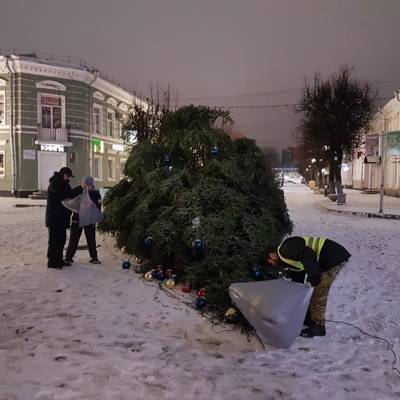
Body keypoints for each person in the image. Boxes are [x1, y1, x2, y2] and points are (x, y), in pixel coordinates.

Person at [266, 236, 351, 338]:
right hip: (327, 258)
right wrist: (297, 288)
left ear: (272, 255)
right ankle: (309, 319)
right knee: (310, 290)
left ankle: (318, 327)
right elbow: (300, 269)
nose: (272, 265)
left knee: (319, 292)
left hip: (333, 256)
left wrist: (314, 275)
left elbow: (307, 254)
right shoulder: (286, 257)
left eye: (269, 262)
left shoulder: (285, 249)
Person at [46, 167, 82, 269]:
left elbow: (69, 196)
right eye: (68, 176)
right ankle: (53, 262)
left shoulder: (64, 184)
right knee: (54, 240)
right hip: (55, 218)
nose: (69, 179)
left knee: (61, 239)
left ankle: (59, 260)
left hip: (62, 218)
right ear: (64, 175)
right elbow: (67, 195)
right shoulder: (55, 184)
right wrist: (80, 187)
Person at [65, 176, 101, 264]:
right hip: (88, 220)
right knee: (91, 239)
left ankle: (68, 257)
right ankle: (94, 257)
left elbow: (72, 204)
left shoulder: (79, 192)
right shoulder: (96, 194)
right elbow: (98, 207)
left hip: (77, 219)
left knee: (74, 239)